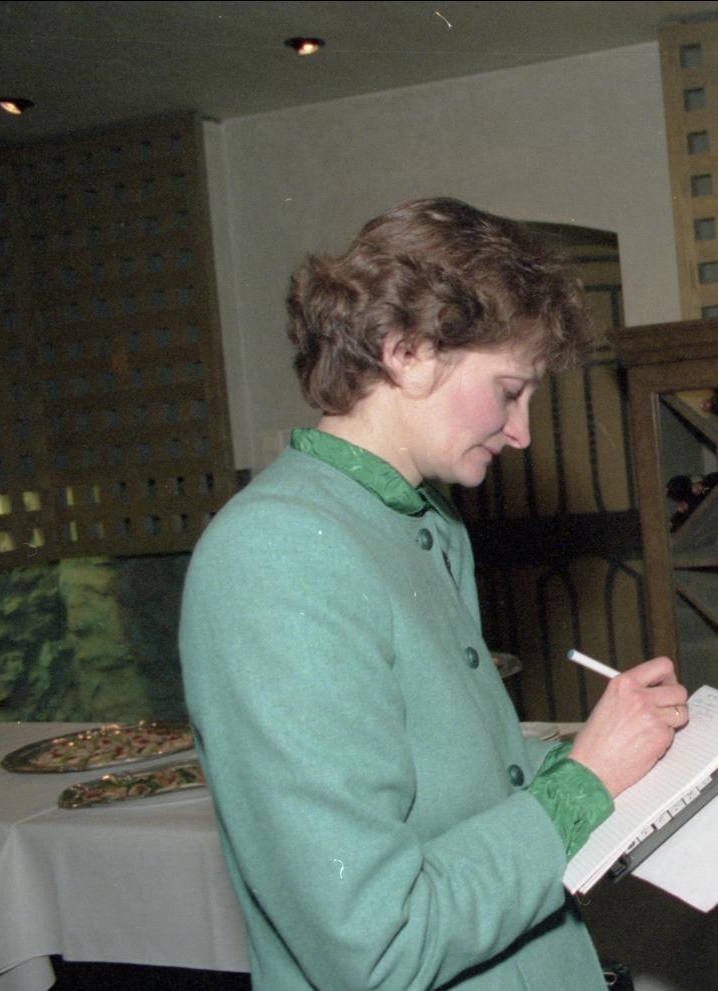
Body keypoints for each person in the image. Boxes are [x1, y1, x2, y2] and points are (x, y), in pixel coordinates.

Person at [180, 198, 689, 990]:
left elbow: (450, 781)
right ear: (407, 351)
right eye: (509, 389)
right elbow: (375, 942)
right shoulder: (275, 551)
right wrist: (585, 783)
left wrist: (608, 751)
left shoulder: (420, 521)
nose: (520, 431)